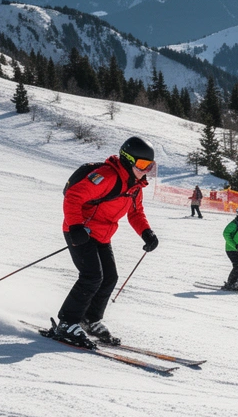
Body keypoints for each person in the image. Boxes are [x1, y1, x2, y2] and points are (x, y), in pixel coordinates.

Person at [52, 136, 159, 348]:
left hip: (102, 235)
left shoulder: (135, 186)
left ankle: (90, 319)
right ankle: (67, 322)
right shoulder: (106, 176)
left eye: (150, 166)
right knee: (92, 276)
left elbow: (136, 213)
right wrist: (75, 227)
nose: (146, 170)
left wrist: (146, 232)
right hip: (81, 230)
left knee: (109, 277)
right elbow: (73, 196)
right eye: (143, 165)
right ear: (129, 161)